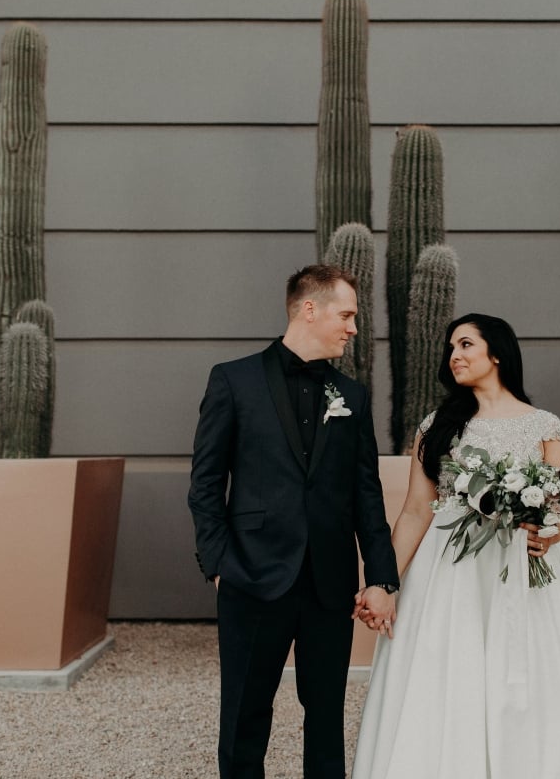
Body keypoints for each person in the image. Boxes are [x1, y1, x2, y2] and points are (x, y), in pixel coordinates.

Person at [352, 312, 560, 778]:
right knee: (446, 675)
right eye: (451, 348)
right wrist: (381, 583)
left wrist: (550, 532)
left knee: (533, 678)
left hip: (524, 576)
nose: (454, 356)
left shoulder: (546, 426)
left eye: (465, 344)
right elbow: (415, 510)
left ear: (497, 353)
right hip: (447, 573)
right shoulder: (437, 424)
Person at [187, 264, 399, 779]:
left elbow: (366, 494)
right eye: (346, 315)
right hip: (251, 577)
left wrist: (382, 578)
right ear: (310, 309)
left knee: (326, 718)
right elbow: (205, 483)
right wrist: (218, 563)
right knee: (244, 714)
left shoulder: (352, 395)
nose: (353, 327)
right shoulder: (232, 380)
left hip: (328, 583)